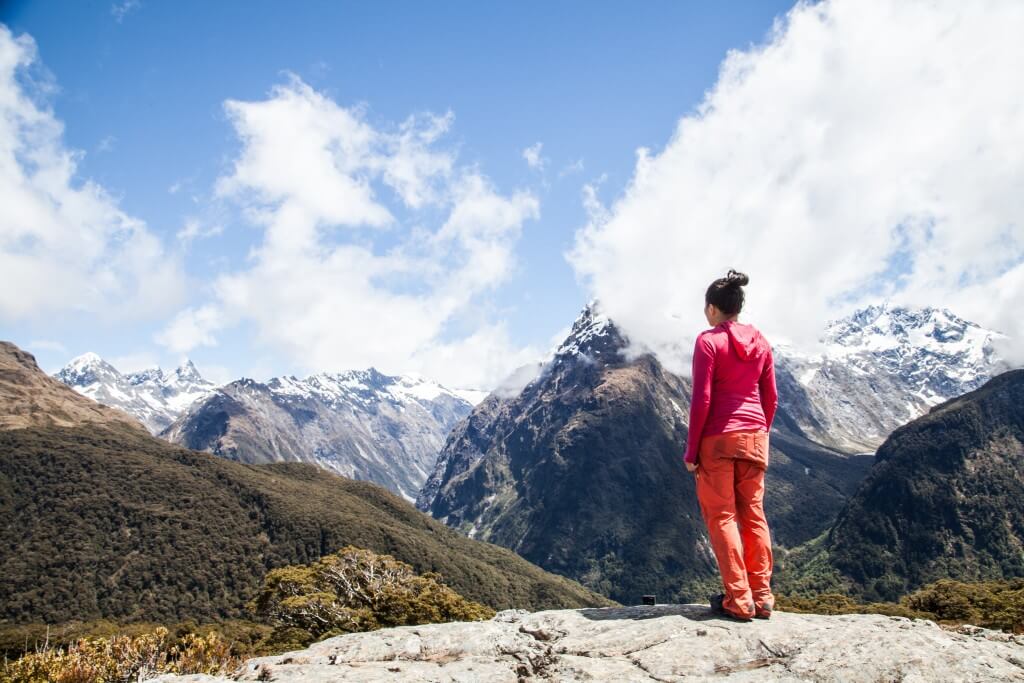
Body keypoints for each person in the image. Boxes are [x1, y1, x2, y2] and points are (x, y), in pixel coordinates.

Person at [682, 268, 778, 622]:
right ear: (738, 306)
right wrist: (759, 433)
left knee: (722, 516)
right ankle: (763, 595)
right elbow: (771, 398)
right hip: (755, 439)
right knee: (753, 514)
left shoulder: (708, 341)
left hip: (717, 441)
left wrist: (692, 453)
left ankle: (739, 599)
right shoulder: (762, 343)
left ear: (712, 309)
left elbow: (702, 400)